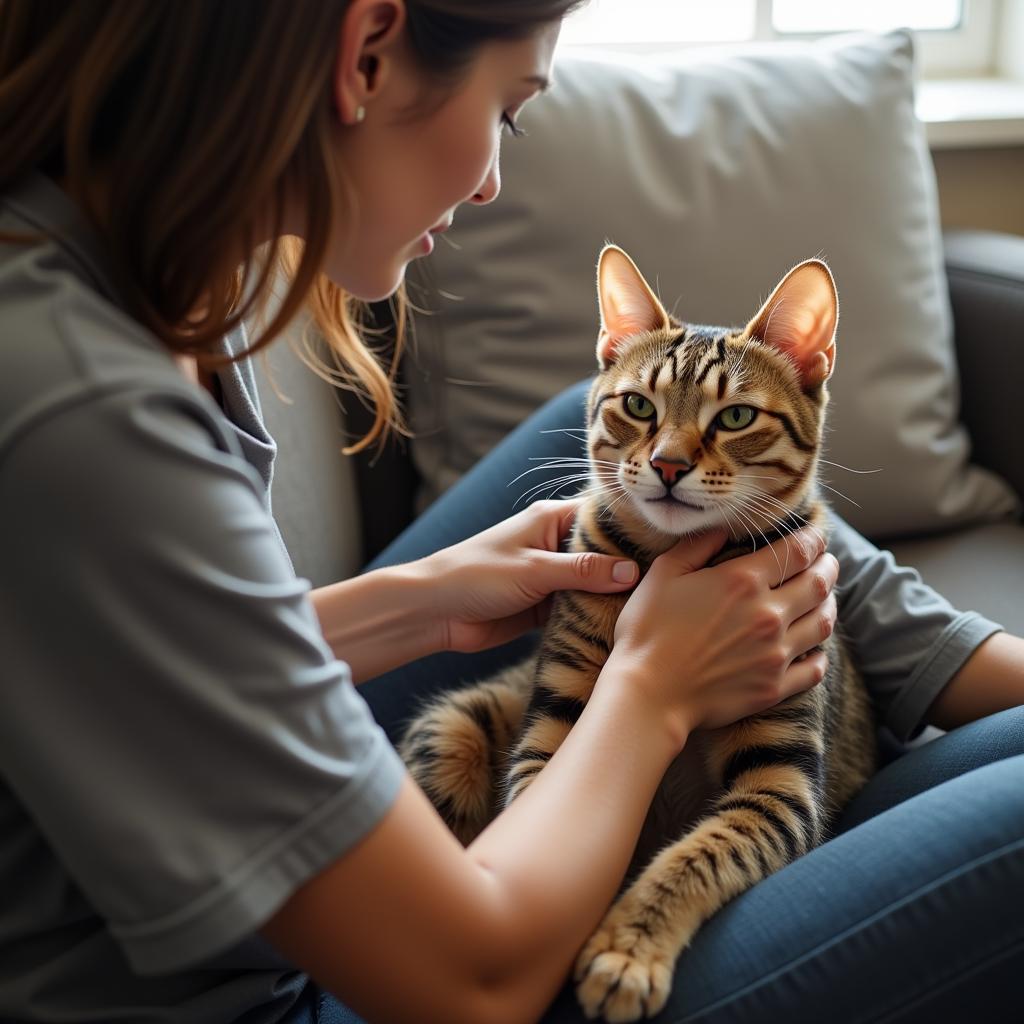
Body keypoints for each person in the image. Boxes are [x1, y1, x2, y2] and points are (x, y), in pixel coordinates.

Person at [0, 3, 1021, 1023]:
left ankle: (959, 661)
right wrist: (653, 686)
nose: (492, 178)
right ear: (365, 55)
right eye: (512, 109)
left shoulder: (137, 281)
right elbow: (471, 986)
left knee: (629, 433)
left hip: (262, 877)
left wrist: (414, 602)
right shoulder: (81, 405)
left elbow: (150, 658)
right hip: (300, 995)